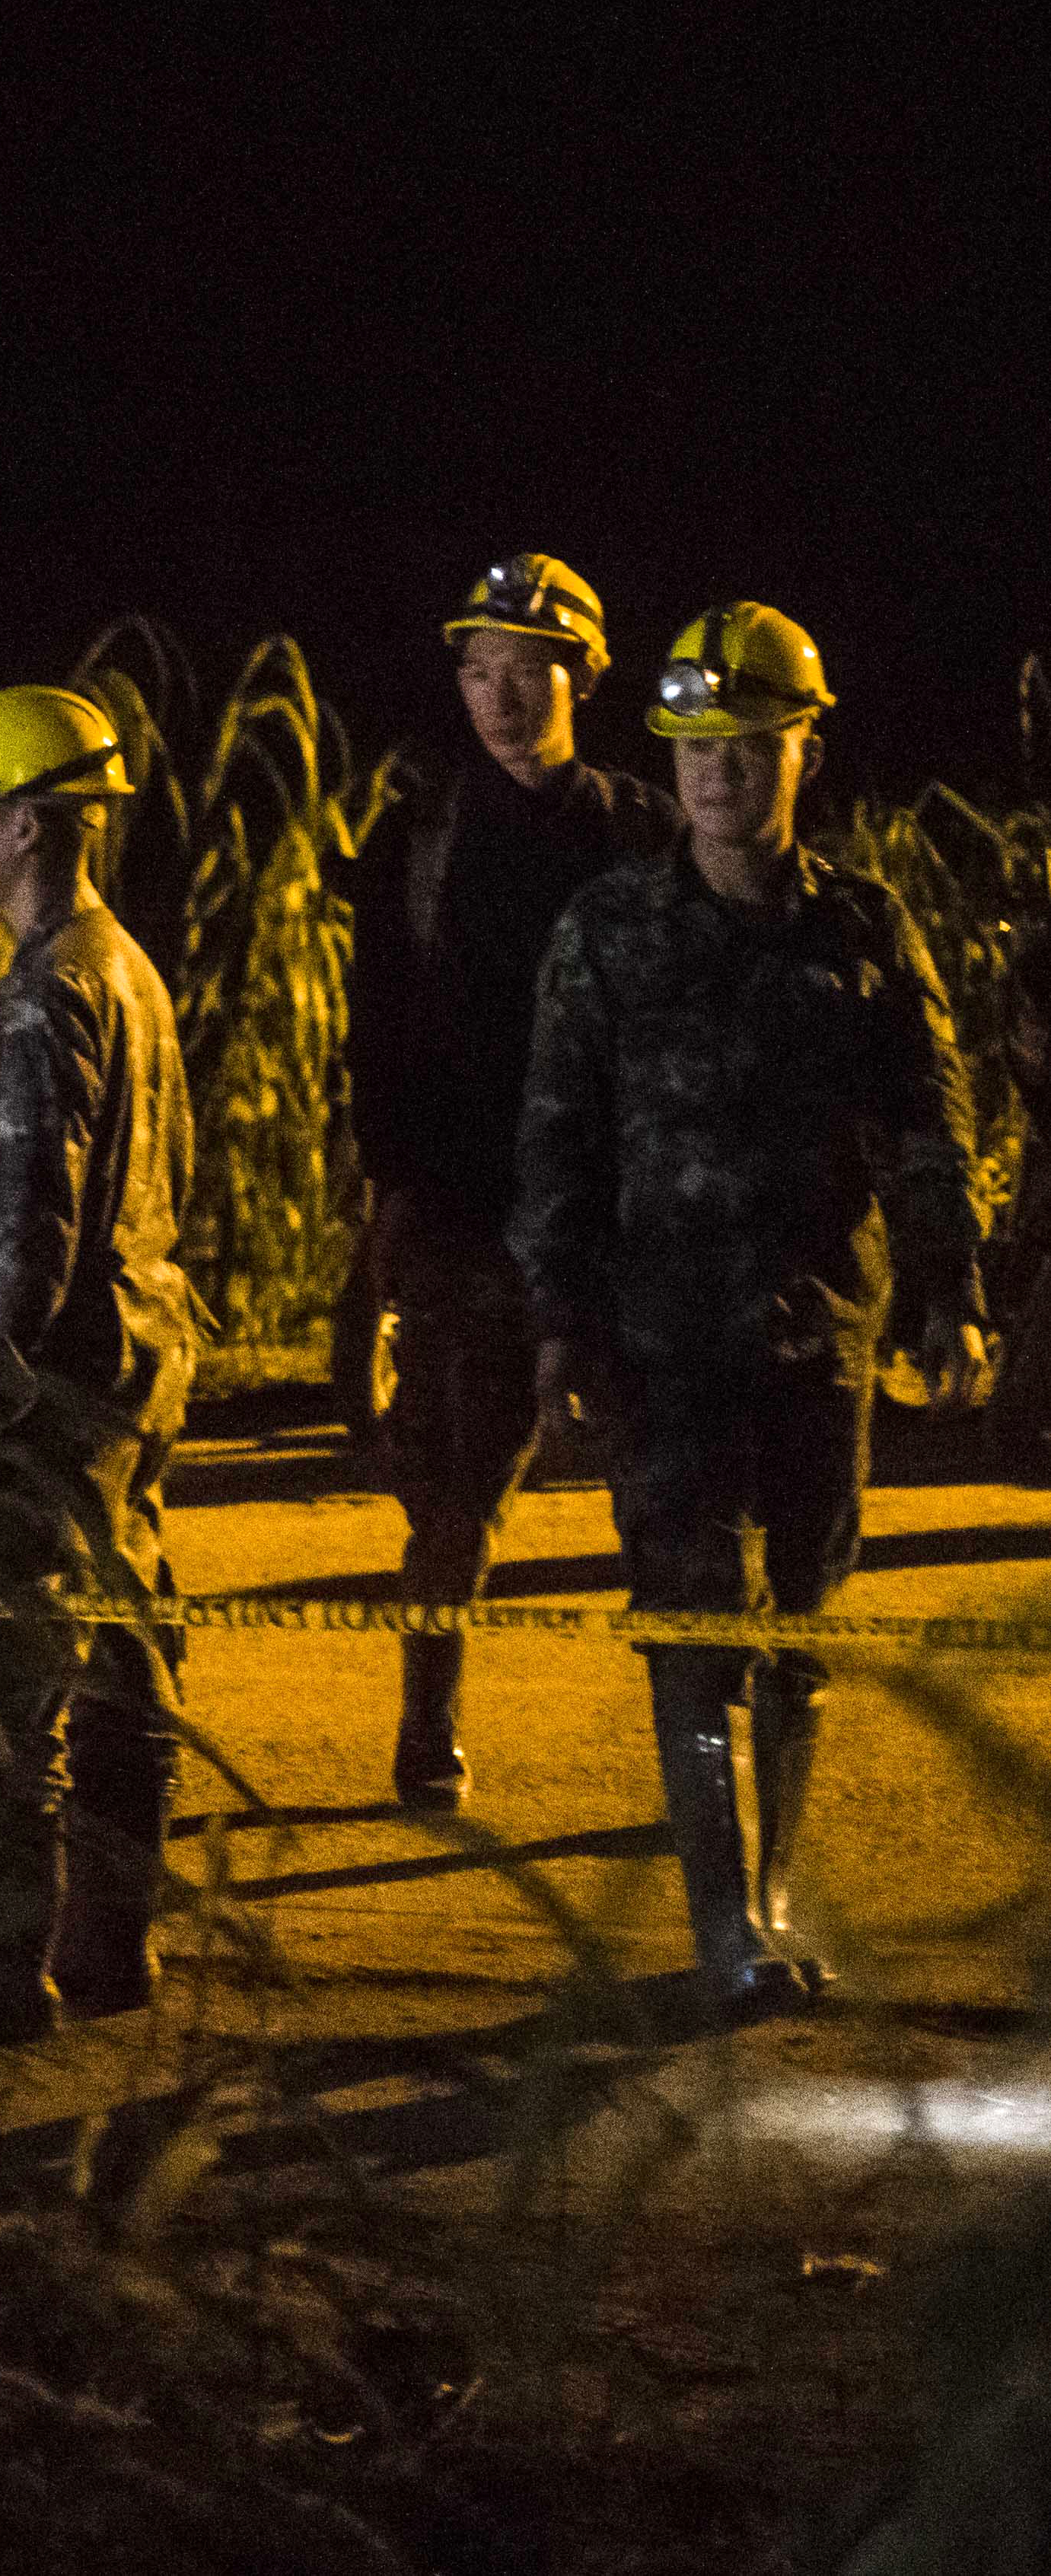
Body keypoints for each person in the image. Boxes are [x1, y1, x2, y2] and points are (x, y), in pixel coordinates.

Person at [511, 602, 984, 2024]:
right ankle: (728, 1926)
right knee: (687, 1621)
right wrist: (560, 1323)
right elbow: (556, 1135)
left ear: (805, 752)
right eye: (696, 744)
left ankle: (773, 1895)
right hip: (663, 1339)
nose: (717, 769)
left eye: (750, 741)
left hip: (819, 1331)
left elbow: (928, 1116)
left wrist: (950, 1288)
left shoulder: (861, 923)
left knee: (805, 1622)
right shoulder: (607, 928)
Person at [0, 683, 207, 2037]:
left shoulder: (46, 990)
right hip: (138, 1362)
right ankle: (112, 1947)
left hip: (53, 1384)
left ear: (25, 821)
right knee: (125, 1660)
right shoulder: (126, 965)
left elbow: (23, 1225)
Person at [339, 553, 667, 1806]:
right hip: (466, 1222)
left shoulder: (645, 835)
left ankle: (699, 1768)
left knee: (670, 1510)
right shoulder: (418, 842)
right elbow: (377, 1041)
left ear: (583, 673)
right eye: (478, 671)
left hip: (623, 1226)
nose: (500, 696)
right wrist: (382, 1219)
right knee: (451, 1503)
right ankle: (430, 1728)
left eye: (527, 670)